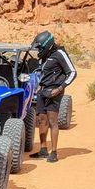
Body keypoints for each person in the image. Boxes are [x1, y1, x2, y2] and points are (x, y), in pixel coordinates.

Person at [29, 31, 77, 163]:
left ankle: (54, 152)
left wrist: (60, 88)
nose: (39, 50)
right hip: (42, 91)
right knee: (41, 120)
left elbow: (72, 72)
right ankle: (43, 149)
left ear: (47, 45)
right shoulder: (45, 56)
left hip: (53, 91)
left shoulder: (60, 54)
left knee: (52, 121)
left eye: (40, 48)